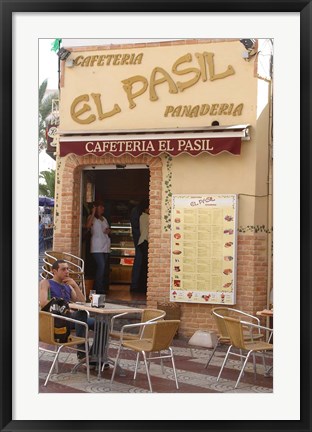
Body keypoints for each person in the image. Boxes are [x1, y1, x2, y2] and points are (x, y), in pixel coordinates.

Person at [39, 259, 94, 361]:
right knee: (81, 314)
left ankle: (95, 355)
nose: (67, 272)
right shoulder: (46, 282)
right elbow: (43, 303)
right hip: (57, 319)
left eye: (68, 269)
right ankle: (81, 353)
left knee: (101, 324)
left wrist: (75, 286)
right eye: (63, 269)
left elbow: (82, 302)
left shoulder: (68, 285)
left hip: (72, 319)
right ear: (54, 271)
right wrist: (64, 307)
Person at [86, 200, 111, 294]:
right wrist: (92, 213)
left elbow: (107, 229)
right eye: (101, 207)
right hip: (96, 246)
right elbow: (88, 226)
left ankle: (100, 286)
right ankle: (98, 288)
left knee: (103, 268)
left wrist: (108, 231)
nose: (103, 208)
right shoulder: (92, 218)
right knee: (101, 266)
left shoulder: (104, 218)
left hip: (105, 244)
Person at [129, 200, 146, 292]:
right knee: (139, 260)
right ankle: (136, 285)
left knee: (139, 260)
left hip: (139, 239)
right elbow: (137, 227)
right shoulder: (140, 214)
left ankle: (136, 284)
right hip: (141, 240)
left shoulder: (135, 211)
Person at [137, 200, 149, 293]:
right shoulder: (145, 217)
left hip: (143, 242)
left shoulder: (142, 216)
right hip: (145, 241)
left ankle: (141, 286)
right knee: (145, 266)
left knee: (144, 265)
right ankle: (142, 287)